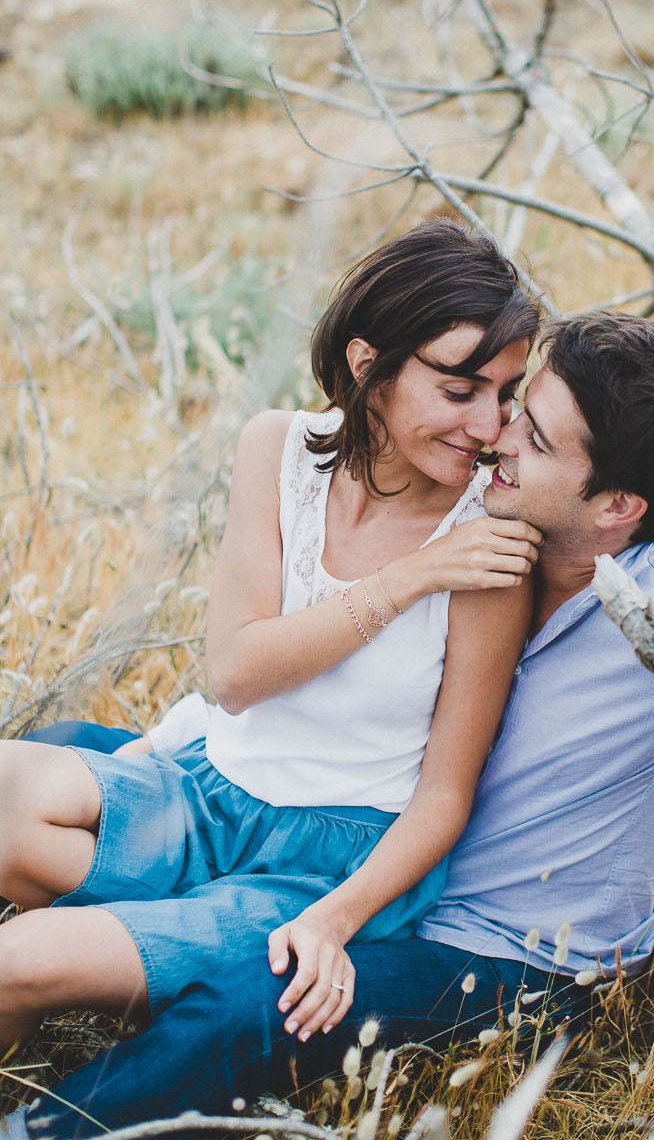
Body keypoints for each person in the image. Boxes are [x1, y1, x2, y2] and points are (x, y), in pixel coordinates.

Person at [4, 310, 654, 1140]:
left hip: (497, 950)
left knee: (258, 1004)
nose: (498, 436)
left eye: (533, 436)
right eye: (516, 408)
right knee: (70, 747)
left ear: (616, 507)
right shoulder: (504, 525)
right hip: (350, 833)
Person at [0, 219, 544, 1069]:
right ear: (367, 365)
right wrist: (410, 577)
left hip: (330, 861)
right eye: (459, 390)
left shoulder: (489, 550)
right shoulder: (280, 448)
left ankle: (119, 949)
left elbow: (444, 798)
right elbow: (237, 673)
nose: (489, 425)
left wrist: (334, 919)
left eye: (506, 394)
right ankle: (153, 939)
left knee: (16, 961)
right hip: (208, 793)